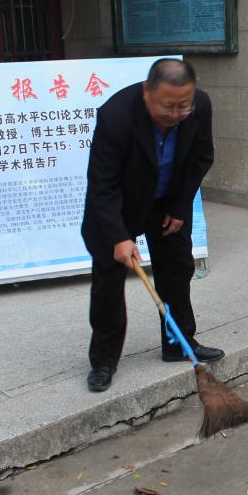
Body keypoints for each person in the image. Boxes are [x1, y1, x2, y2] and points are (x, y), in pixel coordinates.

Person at [81, 58, 224, 392]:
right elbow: (102, 185)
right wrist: (119, 237)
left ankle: (178, 343)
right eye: (167, 107)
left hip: (167, 204)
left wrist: (179, 205)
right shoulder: (116, 116)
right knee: (108, 284)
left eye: (183, 106)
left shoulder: (199, 106)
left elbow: (202, 157)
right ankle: (103, 360)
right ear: (147, 92)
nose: (175, 114)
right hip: (120, 208)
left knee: (177, 271)